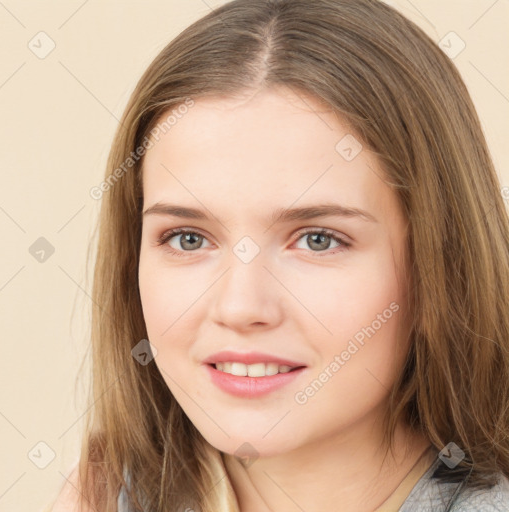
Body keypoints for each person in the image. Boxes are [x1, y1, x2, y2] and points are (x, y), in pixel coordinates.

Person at [49, 0, 509, 510]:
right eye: (188, 238)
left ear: (440, 265)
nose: (240, 307)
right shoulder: (101, 493)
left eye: (318, 239)